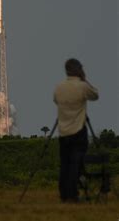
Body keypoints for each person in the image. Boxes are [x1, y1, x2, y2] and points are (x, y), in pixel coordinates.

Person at [54, 58, 99, 203]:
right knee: (75, 164)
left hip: (63, 132)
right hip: (78, 132)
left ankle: (64, 194)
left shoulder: (59, 87)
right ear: (78, 70)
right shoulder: (82, 86)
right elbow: (95, 95)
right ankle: (72, 195)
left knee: (65, 164)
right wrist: (84, 79)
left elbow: (56, 100)